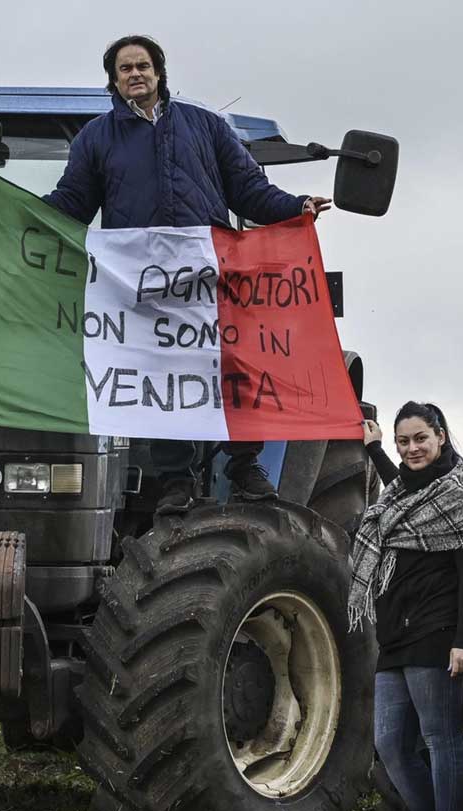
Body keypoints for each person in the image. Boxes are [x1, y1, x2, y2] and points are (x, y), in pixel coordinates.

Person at [43, 34, 332, 514]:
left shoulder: (206, 127)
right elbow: (72, 203)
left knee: (237, 364)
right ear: (114, 81)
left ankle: (244, 466)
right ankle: (175, 480)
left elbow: (249, 189)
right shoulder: (96, 139)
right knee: (158, 376)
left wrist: (294, 207)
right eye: (125, 69)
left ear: (159, 72)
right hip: (143, 285)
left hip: (210, 278)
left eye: (143, 65)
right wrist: (20, 216)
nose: (135, 74)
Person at [349, 402, 463, 811]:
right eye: (403, 441)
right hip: (396, 634)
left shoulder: (459, 498)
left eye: (420, 438)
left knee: (440, 736)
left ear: (441, 435)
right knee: (389, 742)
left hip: (437, 631)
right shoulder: (400, 496)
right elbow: (402, 484)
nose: (412, 448)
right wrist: (373, 448)